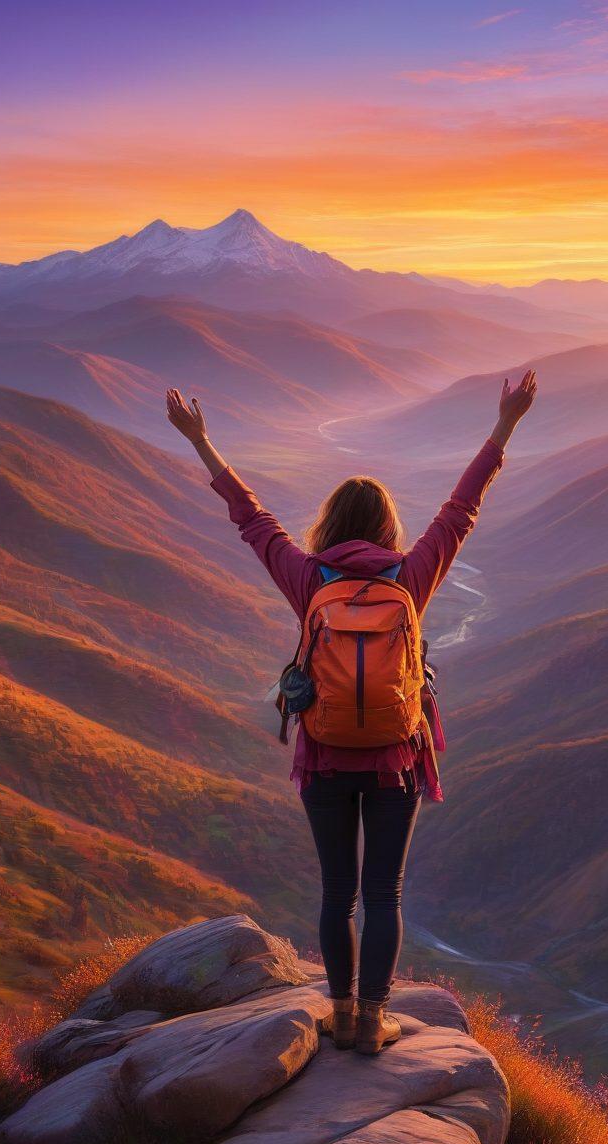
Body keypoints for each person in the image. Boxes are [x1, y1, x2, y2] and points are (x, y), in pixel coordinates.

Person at [167, 371, 538, 1053]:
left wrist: (201, 440)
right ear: (387, 527)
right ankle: (371, 1022)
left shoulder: (309, 579)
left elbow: (251, 518)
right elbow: (463, 508)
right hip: (396, 758)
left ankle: (337, 1014)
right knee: (384, 898)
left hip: (326, 756)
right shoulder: (411, 577)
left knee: (337, 895)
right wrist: (506, 424)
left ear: (331, 526)